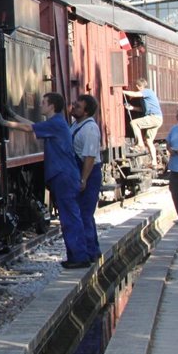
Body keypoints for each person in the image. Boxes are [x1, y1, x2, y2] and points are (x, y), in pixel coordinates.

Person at [32, 92, 88, 269]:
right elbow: (33, 126)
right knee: (68, 217)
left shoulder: (56, 123)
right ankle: (75, 256)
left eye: (43, 102)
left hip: (64, 175)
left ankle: (80, 256)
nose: (41, 105)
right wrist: (13, 116)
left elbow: (29, 128)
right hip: (63, 175)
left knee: (70, 217)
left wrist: (4, 122)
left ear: (51, 106)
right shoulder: (55, 123)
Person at [69, 93, 102, 263]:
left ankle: (90, 252)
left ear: (86, 112)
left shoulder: (90, 129)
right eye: (75, 104)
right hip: (81, 171)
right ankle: (92, 250)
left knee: (85, 214)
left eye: (78, 106)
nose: (74, 107)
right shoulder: (76, 124)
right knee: (84, 214)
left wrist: (84, 179)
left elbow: (89, 157)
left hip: (89, 173)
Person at [122, 77, 162, 168]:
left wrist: (123, 92)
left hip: (153, 117)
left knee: (134, 123)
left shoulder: (147, 92)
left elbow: (135, 94)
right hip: (158, 119)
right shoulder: (146, 97)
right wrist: (132, 108)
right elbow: (143, 110)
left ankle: (140, 144)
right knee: (149, 140)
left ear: (138, 86)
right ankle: (154, 162)